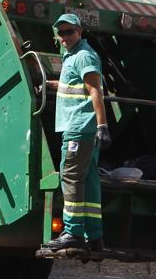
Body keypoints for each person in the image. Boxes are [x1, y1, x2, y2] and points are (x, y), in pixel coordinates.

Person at [43, 13, 110, 251]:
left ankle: (72, 232)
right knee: (88, 180)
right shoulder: (72, 56)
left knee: (70, 178)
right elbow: (75, 85)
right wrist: (48, 84)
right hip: (82, 129)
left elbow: (95, 92)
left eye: (69, 32)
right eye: (61, 33)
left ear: (79, 32)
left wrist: (102, 126)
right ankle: (94, 235)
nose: (64, 37)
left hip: (78, 129)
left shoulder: (83, 55)